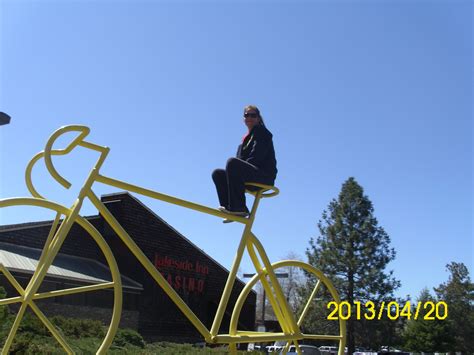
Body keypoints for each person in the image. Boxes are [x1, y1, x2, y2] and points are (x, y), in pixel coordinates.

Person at [212, 105, 277, 222]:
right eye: (247, 115)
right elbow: (239, 162)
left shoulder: (262, 132)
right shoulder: (244, 142)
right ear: (243, 119)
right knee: (218, 173)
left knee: (232, 162)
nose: (250, 118)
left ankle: (239, 208)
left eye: (253, 115)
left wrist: (240, 169)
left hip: (264, 176)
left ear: (258, 118)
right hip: (249, 175)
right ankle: (230, 207)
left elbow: (257, 156)